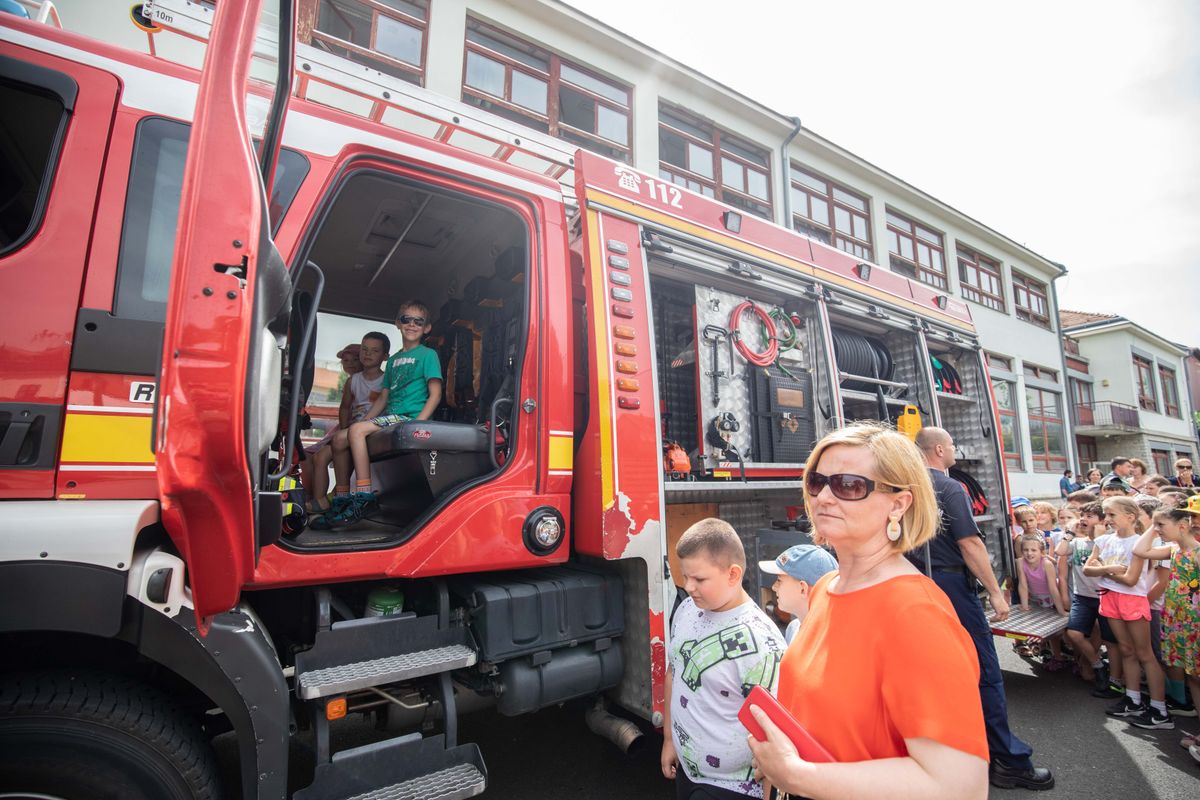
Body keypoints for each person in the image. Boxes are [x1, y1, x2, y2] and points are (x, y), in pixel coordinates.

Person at [746, 424, 989, 799]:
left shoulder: (916, 614)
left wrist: (797, 776)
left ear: (899, 504)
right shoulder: (826, 589)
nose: (824, 496)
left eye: (849, 485)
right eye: (817, 481)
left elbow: (960, 787)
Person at [911, 427, 1052, 790]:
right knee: (984, 671)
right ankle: (1008, 759)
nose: (955, 449)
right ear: (939, 449)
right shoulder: (948, 487)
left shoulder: (901, 486)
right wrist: (996, 592)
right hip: (953, 587)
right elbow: (971, 543)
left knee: (930, 675)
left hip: (913, 587)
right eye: (953, 445)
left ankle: (946, 753)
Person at [661, 518, 785, 799]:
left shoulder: (760, 642)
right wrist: (670, 739)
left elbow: (773, 730)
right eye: (685, 576)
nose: (689, 587)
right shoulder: (687, 611)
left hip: (732, 789)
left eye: (700, 579)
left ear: (733, 574)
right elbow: (674, 672)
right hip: (688, 773)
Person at [317, 301, 443, 529]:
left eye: (418, 321)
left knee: (356, 431)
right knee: (339, 438)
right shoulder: (393, 360)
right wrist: (364, 422)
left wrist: (418, 424)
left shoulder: (428, 355)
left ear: (427, 328)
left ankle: (364, 498)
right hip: (391, 417)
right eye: (406, 319)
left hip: (409, 416)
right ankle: (341, 500)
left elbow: (435, 394)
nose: (412, 324)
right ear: (398, 323)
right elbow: (384, 398)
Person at [1085, 496, 1172, 729]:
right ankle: (1133, 700)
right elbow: (1087, 569)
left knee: (1145, 654)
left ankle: (1159, 710)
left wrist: (1104, 571)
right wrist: (1109, 570)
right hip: (1109, 598)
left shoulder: (1138, 544)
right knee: (1126, 650)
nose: (1108, 519)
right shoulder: (1103, 540)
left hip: (1132, 600)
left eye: (1112, 514)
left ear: (1131, 517)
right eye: (1106, 514)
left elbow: (1132, 580)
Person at [303, 332, 389, 515]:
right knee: (319, 457)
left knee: (346, 451)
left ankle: (337, 496)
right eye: (364, 350)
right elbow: (345, 407)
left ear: (385, 357)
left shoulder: (386, 380)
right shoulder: (353, 381)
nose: (368, 354)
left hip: (371, 430)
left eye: (374, 351)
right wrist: (342, 429)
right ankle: (319, 501)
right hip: (350, 431)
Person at [1137, 500, 1200, 743]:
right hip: (1177, 621)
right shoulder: (1173, 550)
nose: (1158, 530)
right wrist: (1153, 527)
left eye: (1162, 525)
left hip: (1194, 624)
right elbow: (1140, 551)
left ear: (1183, 526)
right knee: (1192, 676)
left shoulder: (1196, 553)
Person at [1057, 502, 1118, 695]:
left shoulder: (1109, 541)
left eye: (1090, 516)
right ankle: (1097, 665)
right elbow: (1060, 551)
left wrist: (1100, 535)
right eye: (1082, 515)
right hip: (1082, 597)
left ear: (1102, 521)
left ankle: (1112, 678)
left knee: (1107, 638)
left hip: (1104, 597)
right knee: (1075, 633)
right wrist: (1070, 532)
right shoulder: (1077, 542)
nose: (1083, 519)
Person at [758, 544, 839, 643]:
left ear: (803, 589)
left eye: (779, 580)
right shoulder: (793, 628)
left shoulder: (833, 641)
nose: (774, 587)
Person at [1016, 535, 1068, 670]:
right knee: (1038, 628)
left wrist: (1061, 610)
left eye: (1033, 550)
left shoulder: (1046, 564)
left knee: (1053, 632)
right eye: (1026, 550)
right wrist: (1025, 605)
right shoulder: (1020, 562)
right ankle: (1046, 652)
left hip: (1050, 599)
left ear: (1041, 552)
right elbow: (1023, 584)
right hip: (1035, 598)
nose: (1029, 553)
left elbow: (1052, 588)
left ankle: (1058, 656)